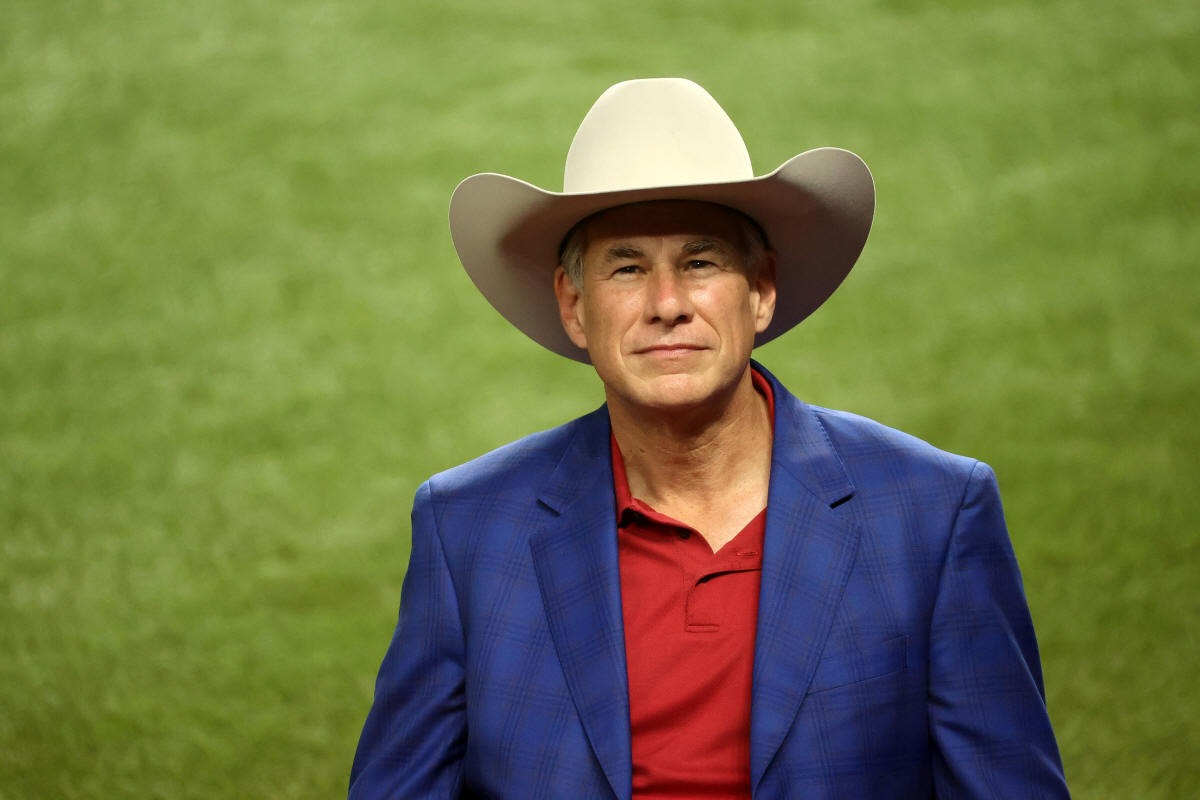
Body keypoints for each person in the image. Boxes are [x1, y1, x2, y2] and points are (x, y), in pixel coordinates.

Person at [348, 78, 1069, 799]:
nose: (667, 304)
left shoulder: (934, 514)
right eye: (627, 268)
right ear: (573, 306)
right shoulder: (467, 528)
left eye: (700, 263)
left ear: (760, 290)